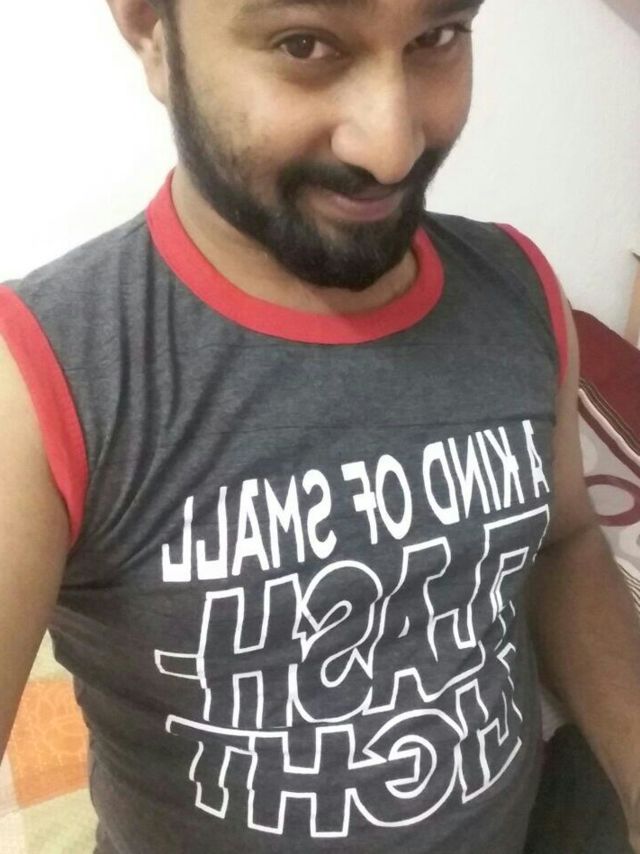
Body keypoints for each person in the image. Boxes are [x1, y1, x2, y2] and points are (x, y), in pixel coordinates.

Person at [1, 1, 639, 851]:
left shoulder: (519, 286)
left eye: (436, 38)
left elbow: (566, 542)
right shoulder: (38, 374)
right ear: (151, 26)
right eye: (304, 45)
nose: (392, 148)